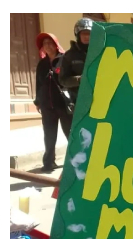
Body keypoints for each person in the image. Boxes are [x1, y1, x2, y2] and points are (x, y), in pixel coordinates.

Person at [35, 32, 71, 172]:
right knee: (49, 136)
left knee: (70, 134)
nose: (48, 46)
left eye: (50, 43)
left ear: (56, 45)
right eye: (45, 44)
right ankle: (49, 163)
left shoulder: (65, 60)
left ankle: (77, 160)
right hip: (47, 106)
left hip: (63, 104)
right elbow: (38, 83)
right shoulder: (42, 64)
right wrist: (38, 101)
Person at [59, 18, 93, 112]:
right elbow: (63, 80)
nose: (86, 36)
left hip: (101, 100)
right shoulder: (69, 56)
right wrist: (79, 79)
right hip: (79, 101)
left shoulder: (101, 52)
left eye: (89, 33)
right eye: (83, 33)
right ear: (78, 35)